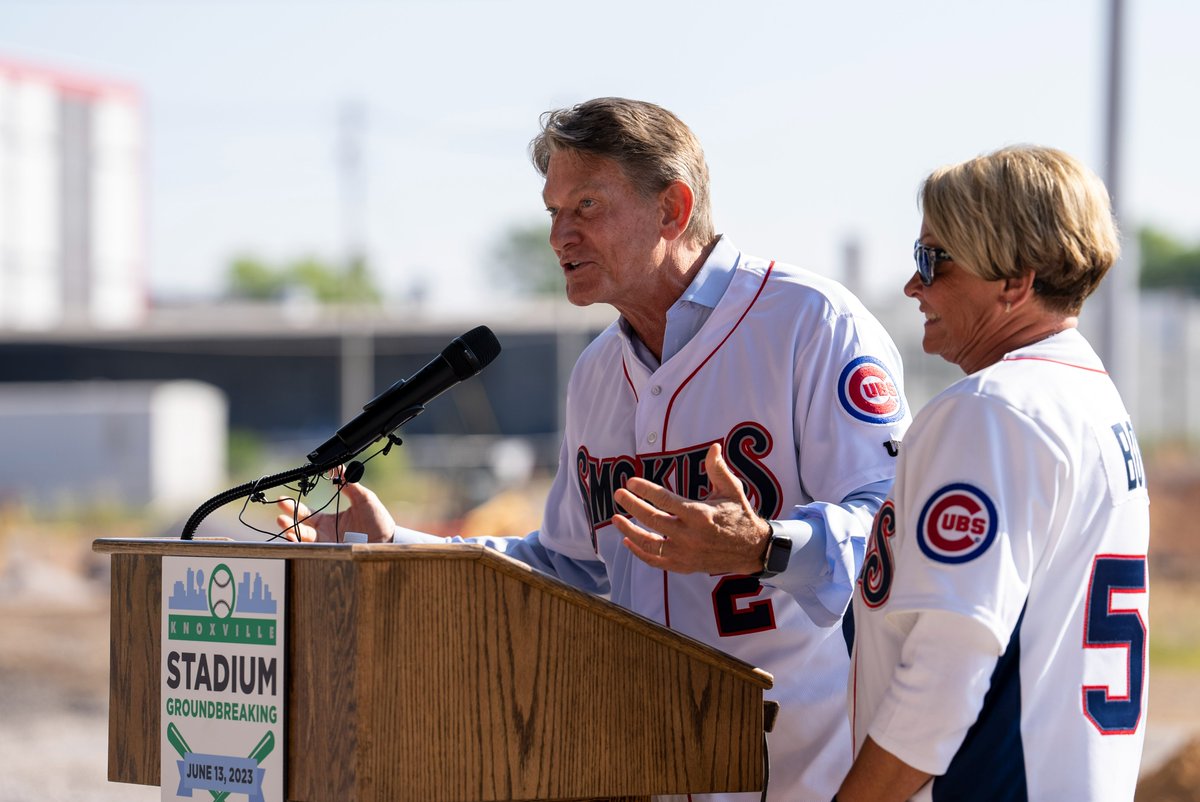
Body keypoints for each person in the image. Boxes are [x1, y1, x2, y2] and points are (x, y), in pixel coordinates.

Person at [279, 97, 911, 801]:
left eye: (586, 205)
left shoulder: (808, 322)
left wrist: (765, 546)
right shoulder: (596, 372)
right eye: (553, 211)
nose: (559, 235)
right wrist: (397, 543)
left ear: (672, 208)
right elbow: (566, 567)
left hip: (801, 767)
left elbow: (891, 525)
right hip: (640, 762)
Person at [836, 145, 1150, 802]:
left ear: (1015, 281)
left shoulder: (993, 409)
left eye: (933, 259)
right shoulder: (1084, 392)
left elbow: (945, 672)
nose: (913, 284)